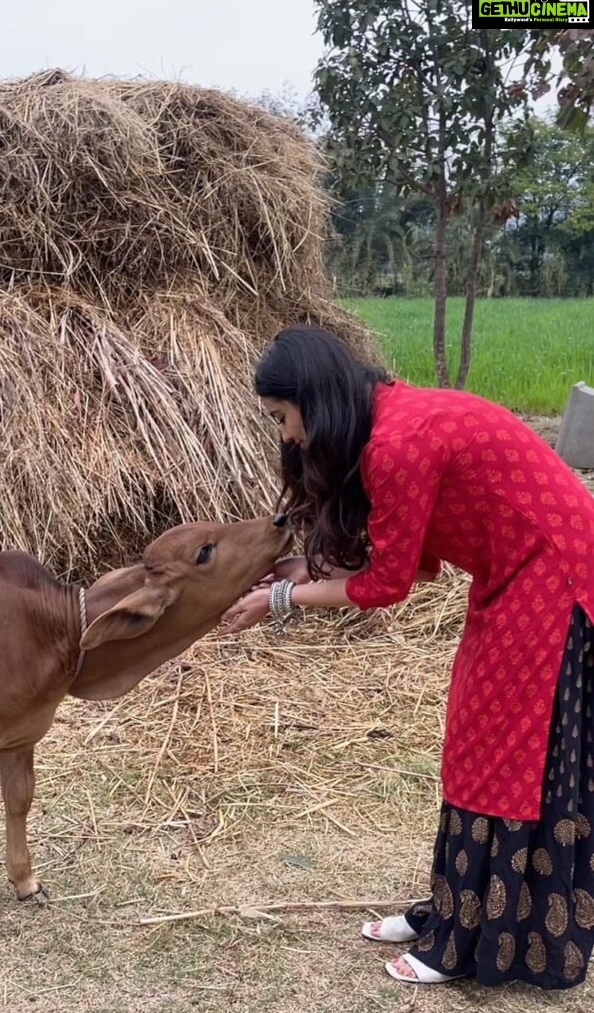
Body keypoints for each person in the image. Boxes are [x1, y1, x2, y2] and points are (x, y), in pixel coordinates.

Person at [220, 324, 594, 988]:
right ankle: (452, 913)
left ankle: (473, 944)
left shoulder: (395, 443)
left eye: (283, 417)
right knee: (471, 745)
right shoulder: (386, 427)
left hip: (555, 576)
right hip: (510, 576)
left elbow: (385, 589)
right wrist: (299, 568)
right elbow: (414, 566)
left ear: (313, 399)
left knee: (505, 756)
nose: (287, 437)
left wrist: (281, 599)